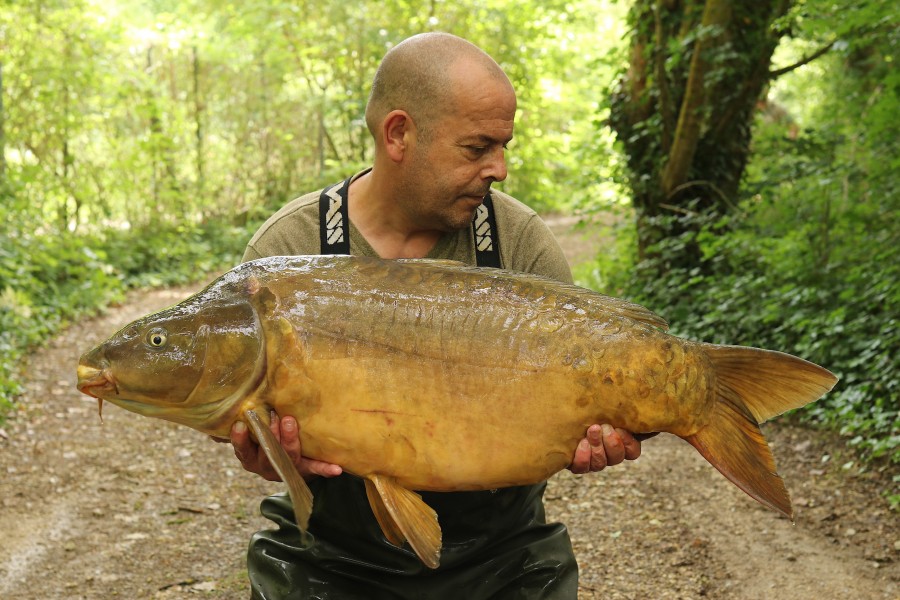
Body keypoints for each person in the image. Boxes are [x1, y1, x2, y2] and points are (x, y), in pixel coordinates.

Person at [230, 32, 645, 599]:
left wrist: (595, 439)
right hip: (332, 558)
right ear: (398, 133)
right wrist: (271, 454)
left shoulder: (519, 242)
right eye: (477, 149)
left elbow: (583, 413)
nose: (499, 169)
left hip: (503, 553)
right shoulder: (288, 248)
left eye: (504, 146)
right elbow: (242, 407)